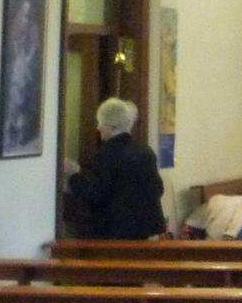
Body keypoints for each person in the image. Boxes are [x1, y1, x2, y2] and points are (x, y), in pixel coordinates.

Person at [64, 97, 166, 239]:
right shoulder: (145, 151)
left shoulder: (107, 154)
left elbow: (96, 195)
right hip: (143, 232)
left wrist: (74, 174)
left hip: (114, 232)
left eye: (101, 123)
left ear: (112, 127)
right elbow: (158, 189)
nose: (98, 127)